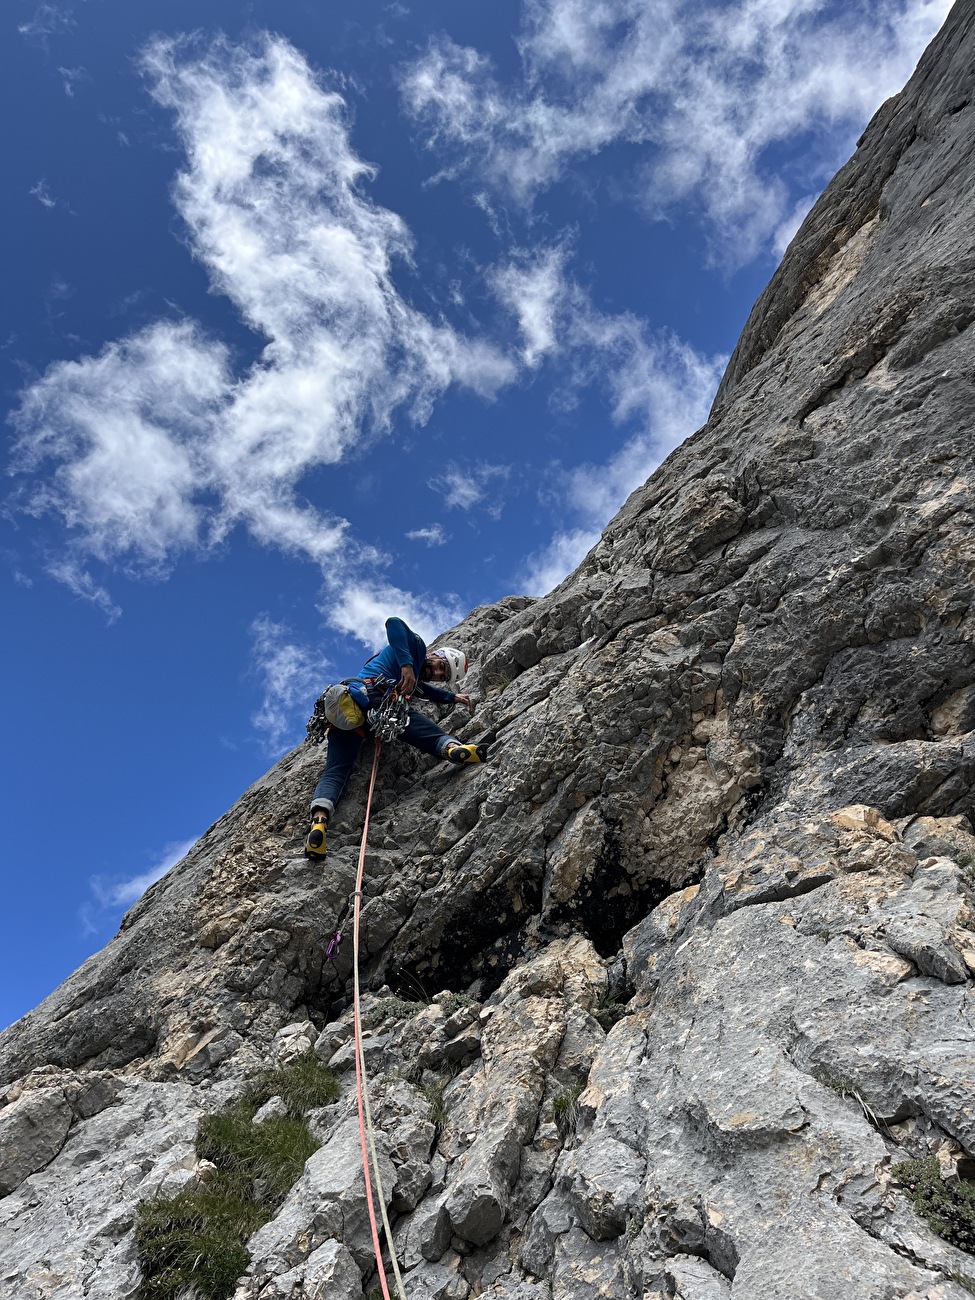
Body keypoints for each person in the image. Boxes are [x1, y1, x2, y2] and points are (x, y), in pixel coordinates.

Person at [305, 616, 487, 859]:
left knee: (336, 771)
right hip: (377, 697)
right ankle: (452, 749)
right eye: (440, 666)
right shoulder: (416, 649)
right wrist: (406, 665)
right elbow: (394, 623)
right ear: (434, 654)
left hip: (356, 720)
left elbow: (426, 691)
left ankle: (319, 824)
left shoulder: (417, 681)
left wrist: (452, 698)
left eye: (442, 675)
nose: (436, 672)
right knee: (417, 724)